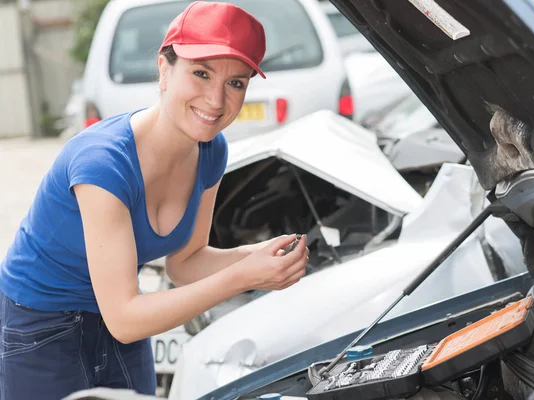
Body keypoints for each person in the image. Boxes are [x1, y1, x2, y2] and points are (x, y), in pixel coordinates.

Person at [0, 2, 309, 398]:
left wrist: (254, 256)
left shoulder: (210, 150)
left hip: (125, 316)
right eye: (201, 73)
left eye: (236, 83)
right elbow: (125, 318)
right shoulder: (103, 165)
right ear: (164, 70)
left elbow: (186, 263)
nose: (216, 99)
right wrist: (242, 277)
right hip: (41, 326)